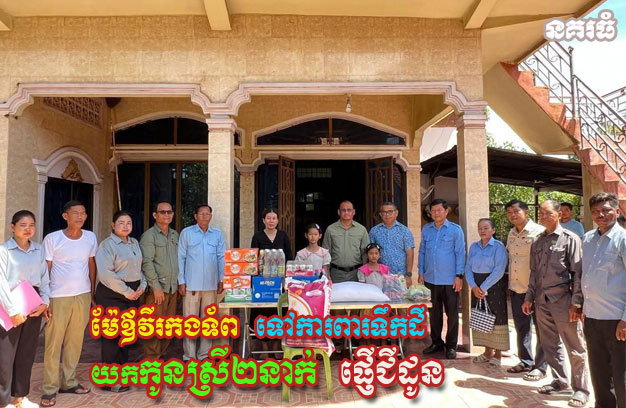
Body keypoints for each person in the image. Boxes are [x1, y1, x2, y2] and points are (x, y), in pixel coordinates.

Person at [522, 200, 590, 408]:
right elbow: (534, 273)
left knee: (575, 346)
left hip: (563, 301)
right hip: (541, 300)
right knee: (550, 344)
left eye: (548, 213)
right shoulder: (538, 242)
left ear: (559, 214)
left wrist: (576, 303)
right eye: (541, 213)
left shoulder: (571, 239)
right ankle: (561, 382)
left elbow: (577, 273)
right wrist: (529, 297)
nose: (544, 216)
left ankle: (581, 390)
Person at [41, 200, 97, 408]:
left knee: (75, 341)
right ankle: (49, 388)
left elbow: (91, 264)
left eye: (83, 213)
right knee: (53, 343)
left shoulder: (90, 237)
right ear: (65, 216)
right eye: (75, 213)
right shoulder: (53, 239)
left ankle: (69, 382)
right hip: (58, 297)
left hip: (82, 295)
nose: (80, 216)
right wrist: (45, 298)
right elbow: (46, 268)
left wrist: (91, 293)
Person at [0, 210, 50, 408]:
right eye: (23, 225)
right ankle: (3, 402)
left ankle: (19, 398)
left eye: (31, 225)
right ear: (12, 227)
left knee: (26, 353)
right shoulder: (4, 250)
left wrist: (45, 302)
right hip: (9, 303)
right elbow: (1, 283)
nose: (28, 229)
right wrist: (12, 311)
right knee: (5, 355)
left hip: (33, 302)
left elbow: (44, 277)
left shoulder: (38, 250)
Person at [581, 193, 625, 408]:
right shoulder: (588, 239)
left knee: (621, 375)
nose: (601, 215)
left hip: (617, 320)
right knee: (599, 374)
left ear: (617, 211)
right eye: (596, 211)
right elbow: (585, 274)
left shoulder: (623, 240)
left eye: (606, 210)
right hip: (592, 317)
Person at [95, 210, 146, 392]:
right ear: (113, 225)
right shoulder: (106, 245)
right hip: (112, 294)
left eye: (129, 223)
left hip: (132, 293)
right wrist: (126, 292)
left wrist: (142, 286)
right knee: (111, 337)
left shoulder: (134, 243)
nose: (125, 226)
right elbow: (106, 274)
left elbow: (140, 268)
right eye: (121, 223)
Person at [505, 199, 553, 381]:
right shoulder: (511, 233)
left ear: (526, 212)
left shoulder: (540, 232)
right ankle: (525, 361)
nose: (512, 215)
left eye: (516, 211)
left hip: (537, 290)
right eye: (509, 212)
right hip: (517, 289)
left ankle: (540, 367)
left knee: (541, 329)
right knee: (522, 327)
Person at [418, 198, 465, 359]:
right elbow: (422, 251)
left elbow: (460, 253)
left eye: (439, 210)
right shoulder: (426, 229)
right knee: (434, 313)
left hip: (450, 279)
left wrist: (459, 276)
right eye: (433, 211)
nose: (436, 213)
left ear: (446, 211)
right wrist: (421, 271)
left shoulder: (455, 230)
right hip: (431, 278)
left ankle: (451, 346)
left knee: (452, 313)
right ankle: (436, 342)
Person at [178, 204, 225, 361]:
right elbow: (181, 257)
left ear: (211, 216)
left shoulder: (217, 234)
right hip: (191, 284)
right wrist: (181, 281)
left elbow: (221, 257)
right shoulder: (187, 233)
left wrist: (221, 279)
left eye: (208, 214)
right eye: (201, 214)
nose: (205, 216)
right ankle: (189, 356)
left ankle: (204, 354)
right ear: (195, 216)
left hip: (211, 285)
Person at [465, 218, 509, 367]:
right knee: (481, 317)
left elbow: (499, 270)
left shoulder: (498, 247)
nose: (482, 231)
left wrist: (484, 287)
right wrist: (473, 286)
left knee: (496, 319)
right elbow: (468, 267)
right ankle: (487, 352)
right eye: (480, 228)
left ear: (493, 230)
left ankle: (498, 354)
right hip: (476, 286)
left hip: (493, 286)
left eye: (486, 228)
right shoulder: (474, 247)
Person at [140, 201, 179, 361]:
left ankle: (161, 357)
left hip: (172, 288)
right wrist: (155, 287)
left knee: (168, 326)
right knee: (153, 325)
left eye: (169, 212)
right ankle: (152, 360)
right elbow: (147, 263)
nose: (167, 215)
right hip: (157, 289)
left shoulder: (175, 235)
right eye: (162, 212)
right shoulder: (149, 236)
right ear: (155, 215)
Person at [369, 202, 415, 287]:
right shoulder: (374, 231)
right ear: (380, 214)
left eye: (390, 212)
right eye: (384, 212)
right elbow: (370, 252)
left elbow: (410, 254)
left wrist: (408, 275)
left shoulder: (404, 231)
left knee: (400, 295)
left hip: (400, 275)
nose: (387, 215)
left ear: (396, 213)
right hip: (381, 275)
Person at [322, 200, 370, 283]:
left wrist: (365, 273)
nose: (346, 212)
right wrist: (327, 274)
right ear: (339, 212)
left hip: (356, 273)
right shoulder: (331, 229)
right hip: (336, 273)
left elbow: (365, 253)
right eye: (343, 210)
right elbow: (325, 253)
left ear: (353, 212)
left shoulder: (361, 230)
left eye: (349, 210)